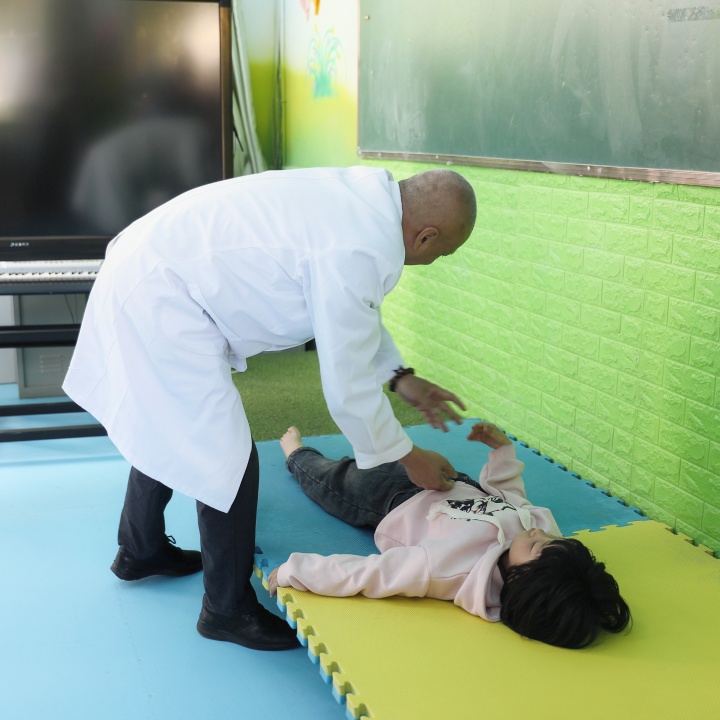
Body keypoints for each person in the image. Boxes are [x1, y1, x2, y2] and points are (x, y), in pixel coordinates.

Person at [62, 166, 477, 651]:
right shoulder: (357, 246)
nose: (434, 259)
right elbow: (346, 382)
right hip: (161, 293)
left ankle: (140, 550)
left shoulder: (365, 200)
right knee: (228, 458)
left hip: (151, 264)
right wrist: (409, 457)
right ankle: (226, 610)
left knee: (172, 423)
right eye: (442, 252)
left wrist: (400, 377)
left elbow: (350, 313)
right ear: (425, 236)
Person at [269, 423, 632, 650]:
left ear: (519, 580)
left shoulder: (448, 569)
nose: (541, 533)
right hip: (449, 482)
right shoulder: (542, 545)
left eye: (539, 544)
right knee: (387, 449)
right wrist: (503, 454)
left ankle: (297, 454)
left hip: (388, 500)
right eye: (554, 541)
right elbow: (510, 499)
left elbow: (370, 573)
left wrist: (296, 570)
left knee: (332, 478)